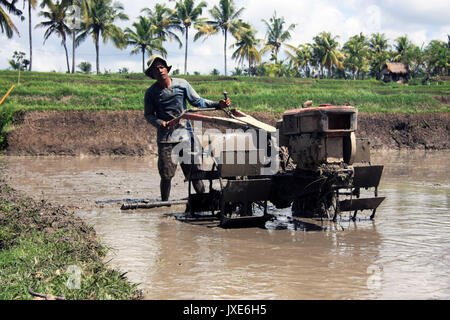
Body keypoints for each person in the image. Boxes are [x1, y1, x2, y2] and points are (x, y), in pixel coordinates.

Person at [144, 54, 230, 201]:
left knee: (194, 173)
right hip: (166, 139)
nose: (159, 70)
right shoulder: (151, 93)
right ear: (152, 74)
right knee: (166, 175)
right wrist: (160, 123)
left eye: (161, 67)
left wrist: (218, 104)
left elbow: (198, 101)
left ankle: (203, 200)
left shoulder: (182, 84)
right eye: (155, 69)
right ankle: (164, 202)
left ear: (166, 69)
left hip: (186, 136)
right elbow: (148, 115)